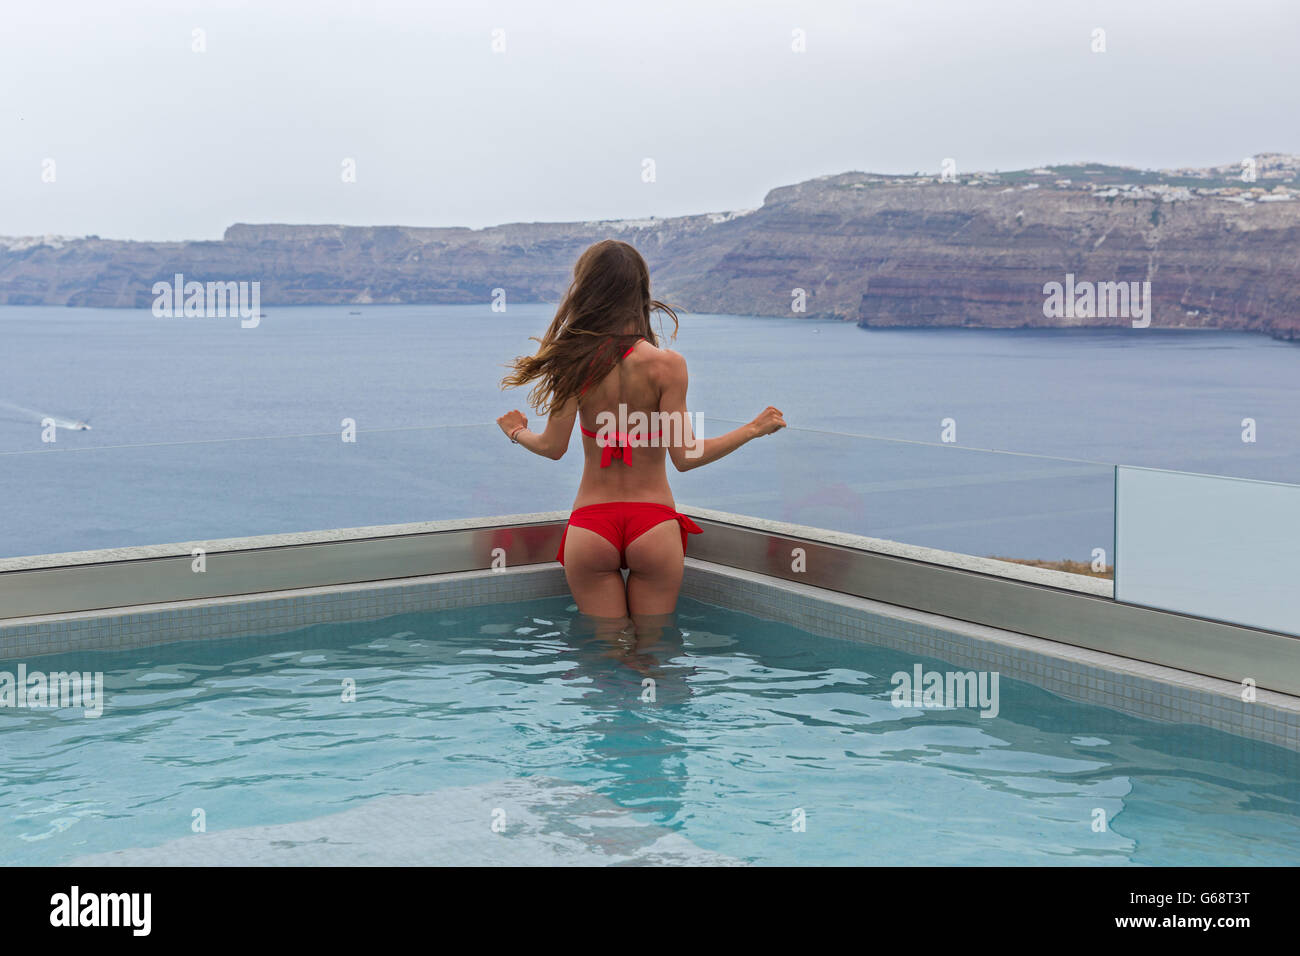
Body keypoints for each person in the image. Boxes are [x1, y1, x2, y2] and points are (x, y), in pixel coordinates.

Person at [498, 240, 785, 633]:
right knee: (656, 653)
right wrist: (752, 429)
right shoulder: (668, 366)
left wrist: (517, 431)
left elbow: (551, 448)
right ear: (641, 293)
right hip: (653, 525)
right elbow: (686, 456)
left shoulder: (572, 362)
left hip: (592, 526)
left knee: (606, 653)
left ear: (586, 290)